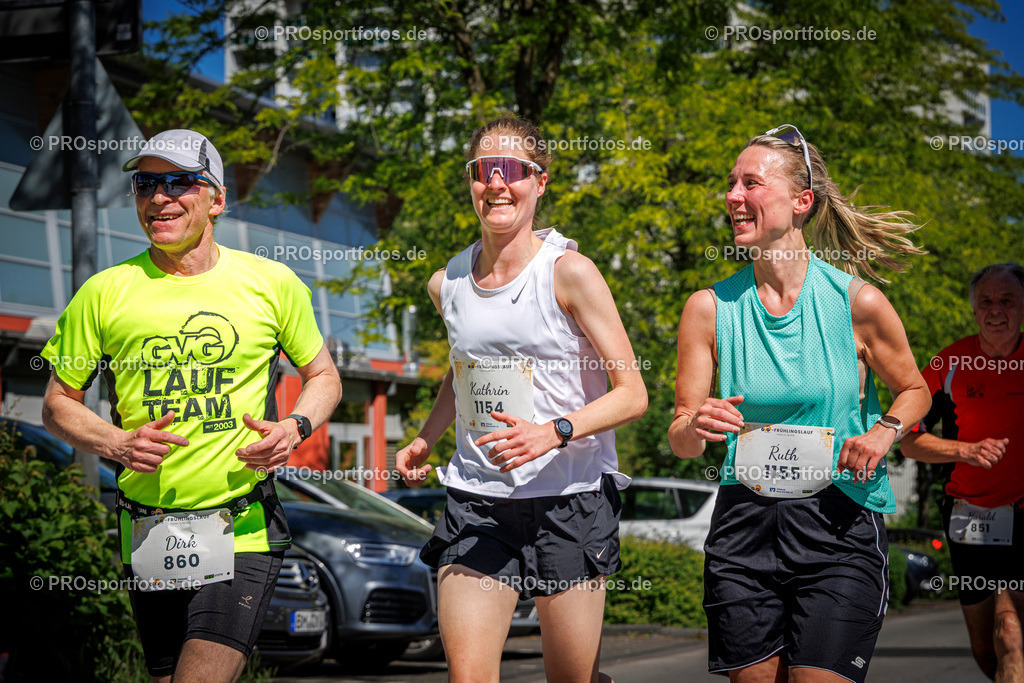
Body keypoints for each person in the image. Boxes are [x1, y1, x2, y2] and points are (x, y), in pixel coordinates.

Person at [40, 129, 342, 683]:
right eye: (146, 184)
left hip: (241, 520)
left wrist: (295, 426)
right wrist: (115, 442)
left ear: (216, 199)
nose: (160, 197)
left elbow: (323, 376)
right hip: (150, 528)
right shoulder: (104, 292)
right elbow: (59, 403)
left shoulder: (270, 283)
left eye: (180, 181)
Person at [668, 124, 932, 682]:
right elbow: (682, 437)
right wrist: (699, 423)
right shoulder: (709, 307)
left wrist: (884, 432)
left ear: (801, 201)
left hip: (839, 522)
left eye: (752, 184)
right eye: (731, 184)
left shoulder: (856, 301)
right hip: (745, 523)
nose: (734, 197)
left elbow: (916, 390)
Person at [395, 116, 647, 683]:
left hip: (570, 499)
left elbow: (633, 394)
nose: (497, 183)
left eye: (513, 170)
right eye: (485, 170)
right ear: (471, 181)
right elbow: (462, 374)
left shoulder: (570, 273)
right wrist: (425, 437)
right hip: (478, 501)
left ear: (540, 182)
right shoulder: (448, 283)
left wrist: (551, 431)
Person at [901, 262, 1024, 683]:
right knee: (985, 648)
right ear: (973, 310)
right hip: (969, 517)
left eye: (1007, 301)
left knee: (1011, 632)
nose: (995, 310)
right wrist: (964, 450)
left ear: (1022, 307)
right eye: (986, 301)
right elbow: (908, 439)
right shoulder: (947, 363)